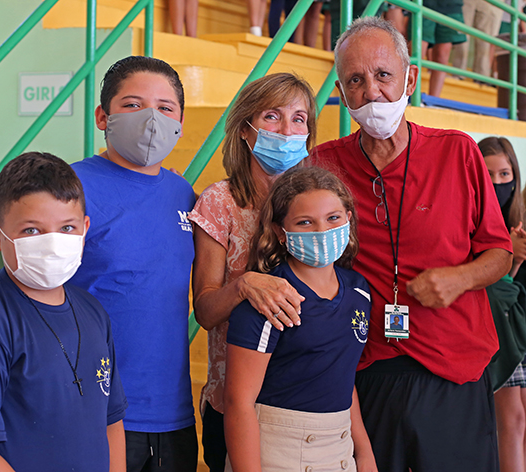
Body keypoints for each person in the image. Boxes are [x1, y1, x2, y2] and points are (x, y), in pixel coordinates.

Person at [311, 16, 513, 472]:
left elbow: (499, 252)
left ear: (410, 78)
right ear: (342, 94)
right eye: (356, 81)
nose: (372, 91)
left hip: (454, 366)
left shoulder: (458, 152)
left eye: (383, 75)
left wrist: (461, 278)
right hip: (364, 369)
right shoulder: (324, 164)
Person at [0, 152, 128, 472]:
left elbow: (111, 422)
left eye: (67, 227)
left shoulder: (92, 312)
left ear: (85, 228)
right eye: (32, 231)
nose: (52, 244)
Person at [70, 56, 198, 472]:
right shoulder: (69, 187)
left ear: (180, 121)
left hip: (173, 415)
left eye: (165, 108)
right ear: (102, 116)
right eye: (132, 104)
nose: (151, 119)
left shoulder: (184, 194)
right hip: (91, 409)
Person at [189, 72, 317, 472]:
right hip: (233, 403)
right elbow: (206, 312)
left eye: (298, 119)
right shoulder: (219, 202)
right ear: (246, 130)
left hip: (302, 402)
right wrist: (244, 284)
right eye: (271, 116)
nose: (286, 129)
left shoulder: (316, 206)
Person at [223, 166, 377, 472]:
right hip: (279, 451)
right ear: (281, 232)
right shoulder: (267, 300)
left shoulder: (359, 291)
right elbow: (238, 403)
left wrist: (365, 454)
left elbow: (344, 378)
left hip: (340, 447)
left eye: (333, 218)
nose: (322, 231)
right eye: (305, 222)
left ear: (348, 217)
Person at [479, 137, 526, 472]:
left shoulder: (520, 220)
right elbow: (495, 290)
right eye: (489, 174)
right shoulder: (472, 221)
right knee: (511, 420)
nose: (498, 184)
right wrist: (511, 260)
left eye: (505, 175)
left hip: (520, 331)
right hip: (496, 334)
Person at [421, 0, 467, 96]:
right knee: (418, 53)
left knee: (442, 57)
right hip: (425, 4)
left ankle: (434, 99)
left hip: (451, 7)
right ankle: (407, 97)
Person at [451, 0, 503, 79]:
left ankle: (482, 76)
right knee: (463, 35)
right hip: (468, 2)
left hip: (488, 3)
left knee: (484, 40)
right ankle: (459, 72)